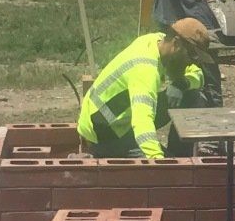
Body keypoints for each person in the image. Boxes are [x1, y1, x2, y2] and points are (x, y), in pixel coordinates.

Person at [76, 19, 214, 160]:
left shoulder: (158, 41)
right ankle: (98, 153)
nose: (191, 62)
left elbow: (199, 76)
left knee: (191, 95)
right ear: (176, 44)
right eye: (192, 56)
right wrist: (161, 162)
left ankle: (180, 155)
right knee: (167, 170)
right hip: (105, 131)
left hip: (125, 117)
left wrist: (181, 84)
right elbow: (142, 121)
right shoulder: (145, 69)